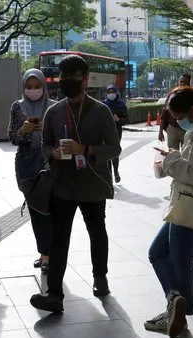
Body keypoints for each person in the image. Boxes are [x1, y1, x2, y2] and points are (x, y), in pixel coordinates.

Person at [29, 55, 121, 313]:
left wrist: (86, 149)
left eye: (74, 76)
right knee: (59, 237)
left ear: (85, 78)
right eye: (64, 76)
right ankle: (54, 294)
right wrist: (53, 153)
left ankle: (100, 277)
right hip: (62, 184)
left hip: (92, 184)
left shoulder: (102, 111)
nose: (68, 81)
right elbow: (45, 145)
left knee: (96, 231)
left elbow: (114, 148)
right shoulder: (54, 112)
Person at [145, 87, 193, 337]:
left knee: (176, 260)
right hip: (185, 204)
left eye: (179, 117)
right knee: (161, 254)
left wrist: (171, 160)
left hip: (192, 204)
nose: (178, 122)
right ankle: (176, 307)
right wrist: (175, 157)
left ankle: (176, 307)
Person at [8, 68, 56, 275]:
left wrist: (46, 130)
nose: (33, 90)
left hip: (51, 165)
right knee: (36, 212)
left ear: (44, 87)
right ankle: (44, 253)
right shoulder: (17, 107)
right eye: (29, 87)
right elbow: (12, 137)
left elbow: (60, 138)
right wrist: (23, 131)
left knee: (51, 212)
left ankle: (51, 254)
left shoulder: (54, 107)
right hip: (27, 165)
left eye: (37, 87)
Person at [102, 84, 128, 183]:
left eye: (113, 92)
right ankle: (109, 174)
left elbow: (126, 120)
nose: (111, 94)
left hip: (116, 131)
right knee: (107, 153)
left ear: (116, 93)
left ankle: (116, 172)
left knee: (115, 151)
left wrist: (118, 120)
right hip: (104, 132)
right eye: (109, 92)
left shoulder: (121, 105)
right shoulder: (103, 104)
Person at [158, 73, 192, 150]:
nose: (182, 84)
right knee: (172, 154)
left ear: (189, 84)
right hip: (172, 129)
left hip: (187, 129)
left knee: (186, 154)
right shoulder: (172, 95)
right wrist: (160, 131)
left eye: (185, 82)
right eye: (181, 82)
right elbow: (164, 113)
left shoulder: (192, 96)